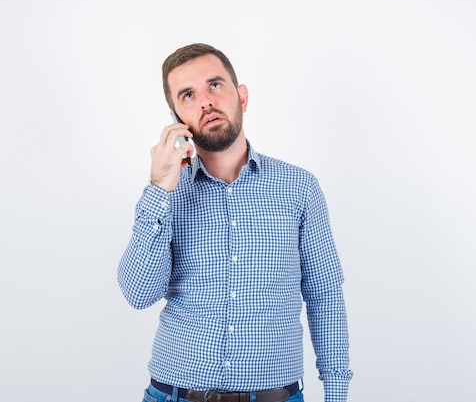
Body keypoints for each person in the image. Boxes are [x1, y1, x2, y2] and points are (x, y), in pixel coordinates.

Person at [118, 43, 352, 402]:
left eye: (215, 85)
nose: (205, 102)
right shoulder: (165, 195)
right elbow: (138, 294)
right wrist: (159, 189)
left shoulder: (299, 187)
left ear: (241, 97)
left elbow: (325, 295)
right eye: (188, 95)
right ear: (176, 117)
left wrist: (336, 394)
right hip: (174, 394)